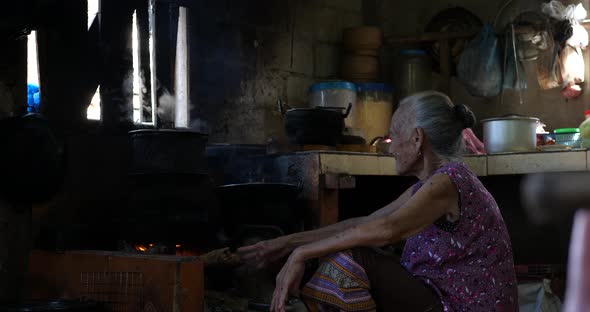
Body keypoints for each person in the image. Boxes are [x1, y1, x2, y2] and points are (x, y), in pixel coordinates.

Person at [238, 91, 518, 312]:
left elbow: (385, 230)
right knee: (352, 247)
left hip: (458, 308)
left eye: (394, 135)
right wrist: (285, 244)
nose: (390, 146)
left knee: (354, 256)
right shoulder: (432, 184)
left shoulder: (448, 181)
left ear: (418, 139)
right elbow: (364, 223)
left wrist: (303, 253)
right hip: (442, 302)